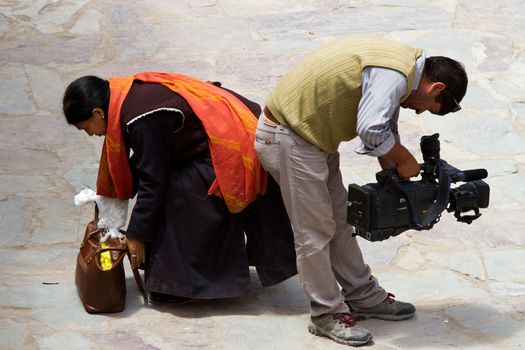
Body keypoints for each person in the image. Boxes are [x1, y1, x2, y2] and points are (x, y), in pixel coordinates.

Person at [254, 35, 468, 346]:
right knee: (314, 232)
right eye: (429, 108)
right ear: (436, 88)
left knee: (341, 222)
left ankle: (364, 296)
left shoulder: (405, 64)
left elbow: (383, 121)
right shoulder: (394, 73)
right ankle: (325, 314)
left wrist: (394, 170)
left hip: (312, 139)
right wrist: (404, 158)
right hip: (290, 137)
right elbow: (370, 128)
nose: (419, 112)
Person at [63, 72, 297, 305]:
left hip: (232, 149)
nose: (92, 134)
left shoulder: (141, 119)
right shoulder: (125, 96)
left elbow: (153, 181)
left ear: (98, 112)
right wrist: (111, 199)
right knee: (163, 189)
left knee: (179, 190)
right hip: (212, 141)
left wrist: (136, 235)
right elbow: (150, 159)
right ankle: (170, 274)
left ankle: (183, 284)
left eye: (86, 128)